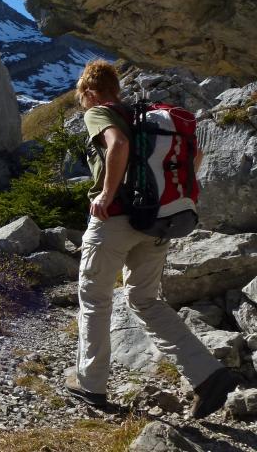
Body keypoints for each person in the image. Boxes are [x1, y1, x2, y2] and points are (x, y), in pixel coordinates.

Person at [64, 59, 239, 419]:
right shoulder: (149, 118)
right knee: (145, 300)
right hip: (158, 222)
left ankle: (90, 385)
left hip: (115, 221)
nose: (83, 104)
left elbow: (118, 145)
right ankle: (207, 376)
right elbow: (197, 155)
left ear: (91, 92)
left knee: (95, 299)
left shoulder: (101, 113)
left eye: (82, 98)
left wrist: (106, 196)